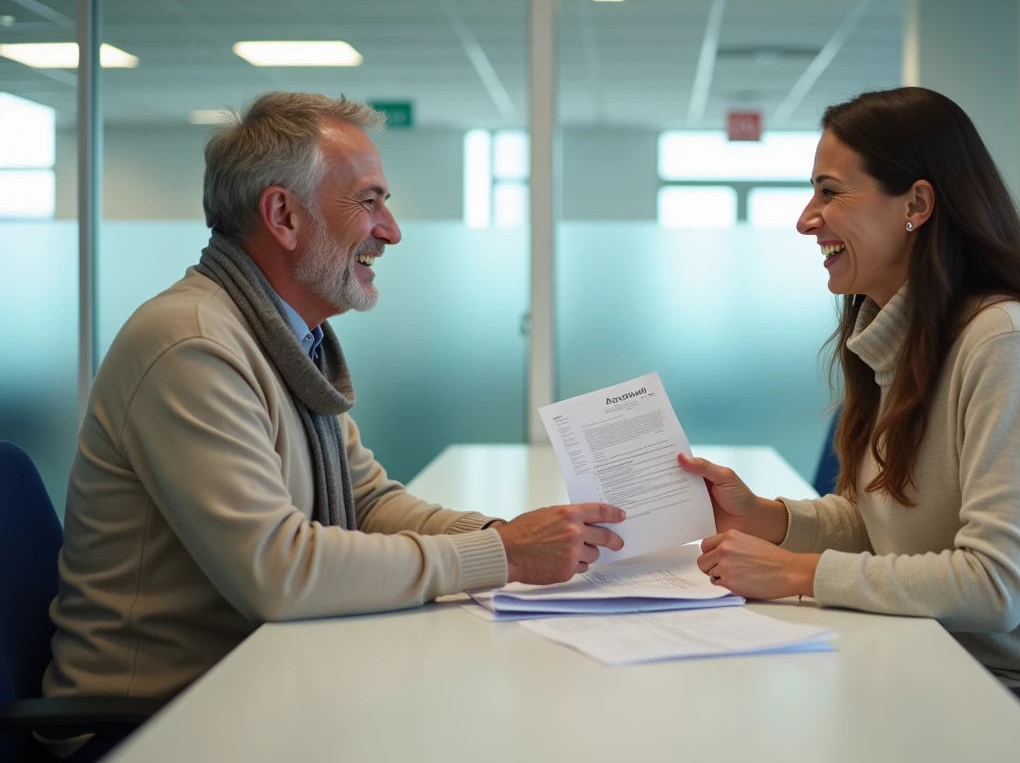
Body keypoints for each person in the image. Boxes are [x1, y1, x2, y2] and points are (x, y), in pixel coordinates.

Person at [43, 92, 625, 750]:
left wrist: (510, 536)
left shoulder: (281, 336)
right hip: (155, 725)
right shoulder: (192, 344)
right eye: (369, 201)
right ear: (283, 215)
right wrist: (504, 555)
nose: (392, 229)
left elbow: (367, 501)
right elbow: (279, 573)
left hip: (250, 684)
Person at [679, 87, 1020, 762]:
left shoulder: (1002, 344)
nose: (806, 220)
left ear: (917, 206)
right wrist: (764, 517)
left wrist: (798, 573)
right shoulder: (897, 341)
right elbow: (884, 521)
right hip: (956, 681)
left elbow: (994, 585)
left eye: (829, 192)